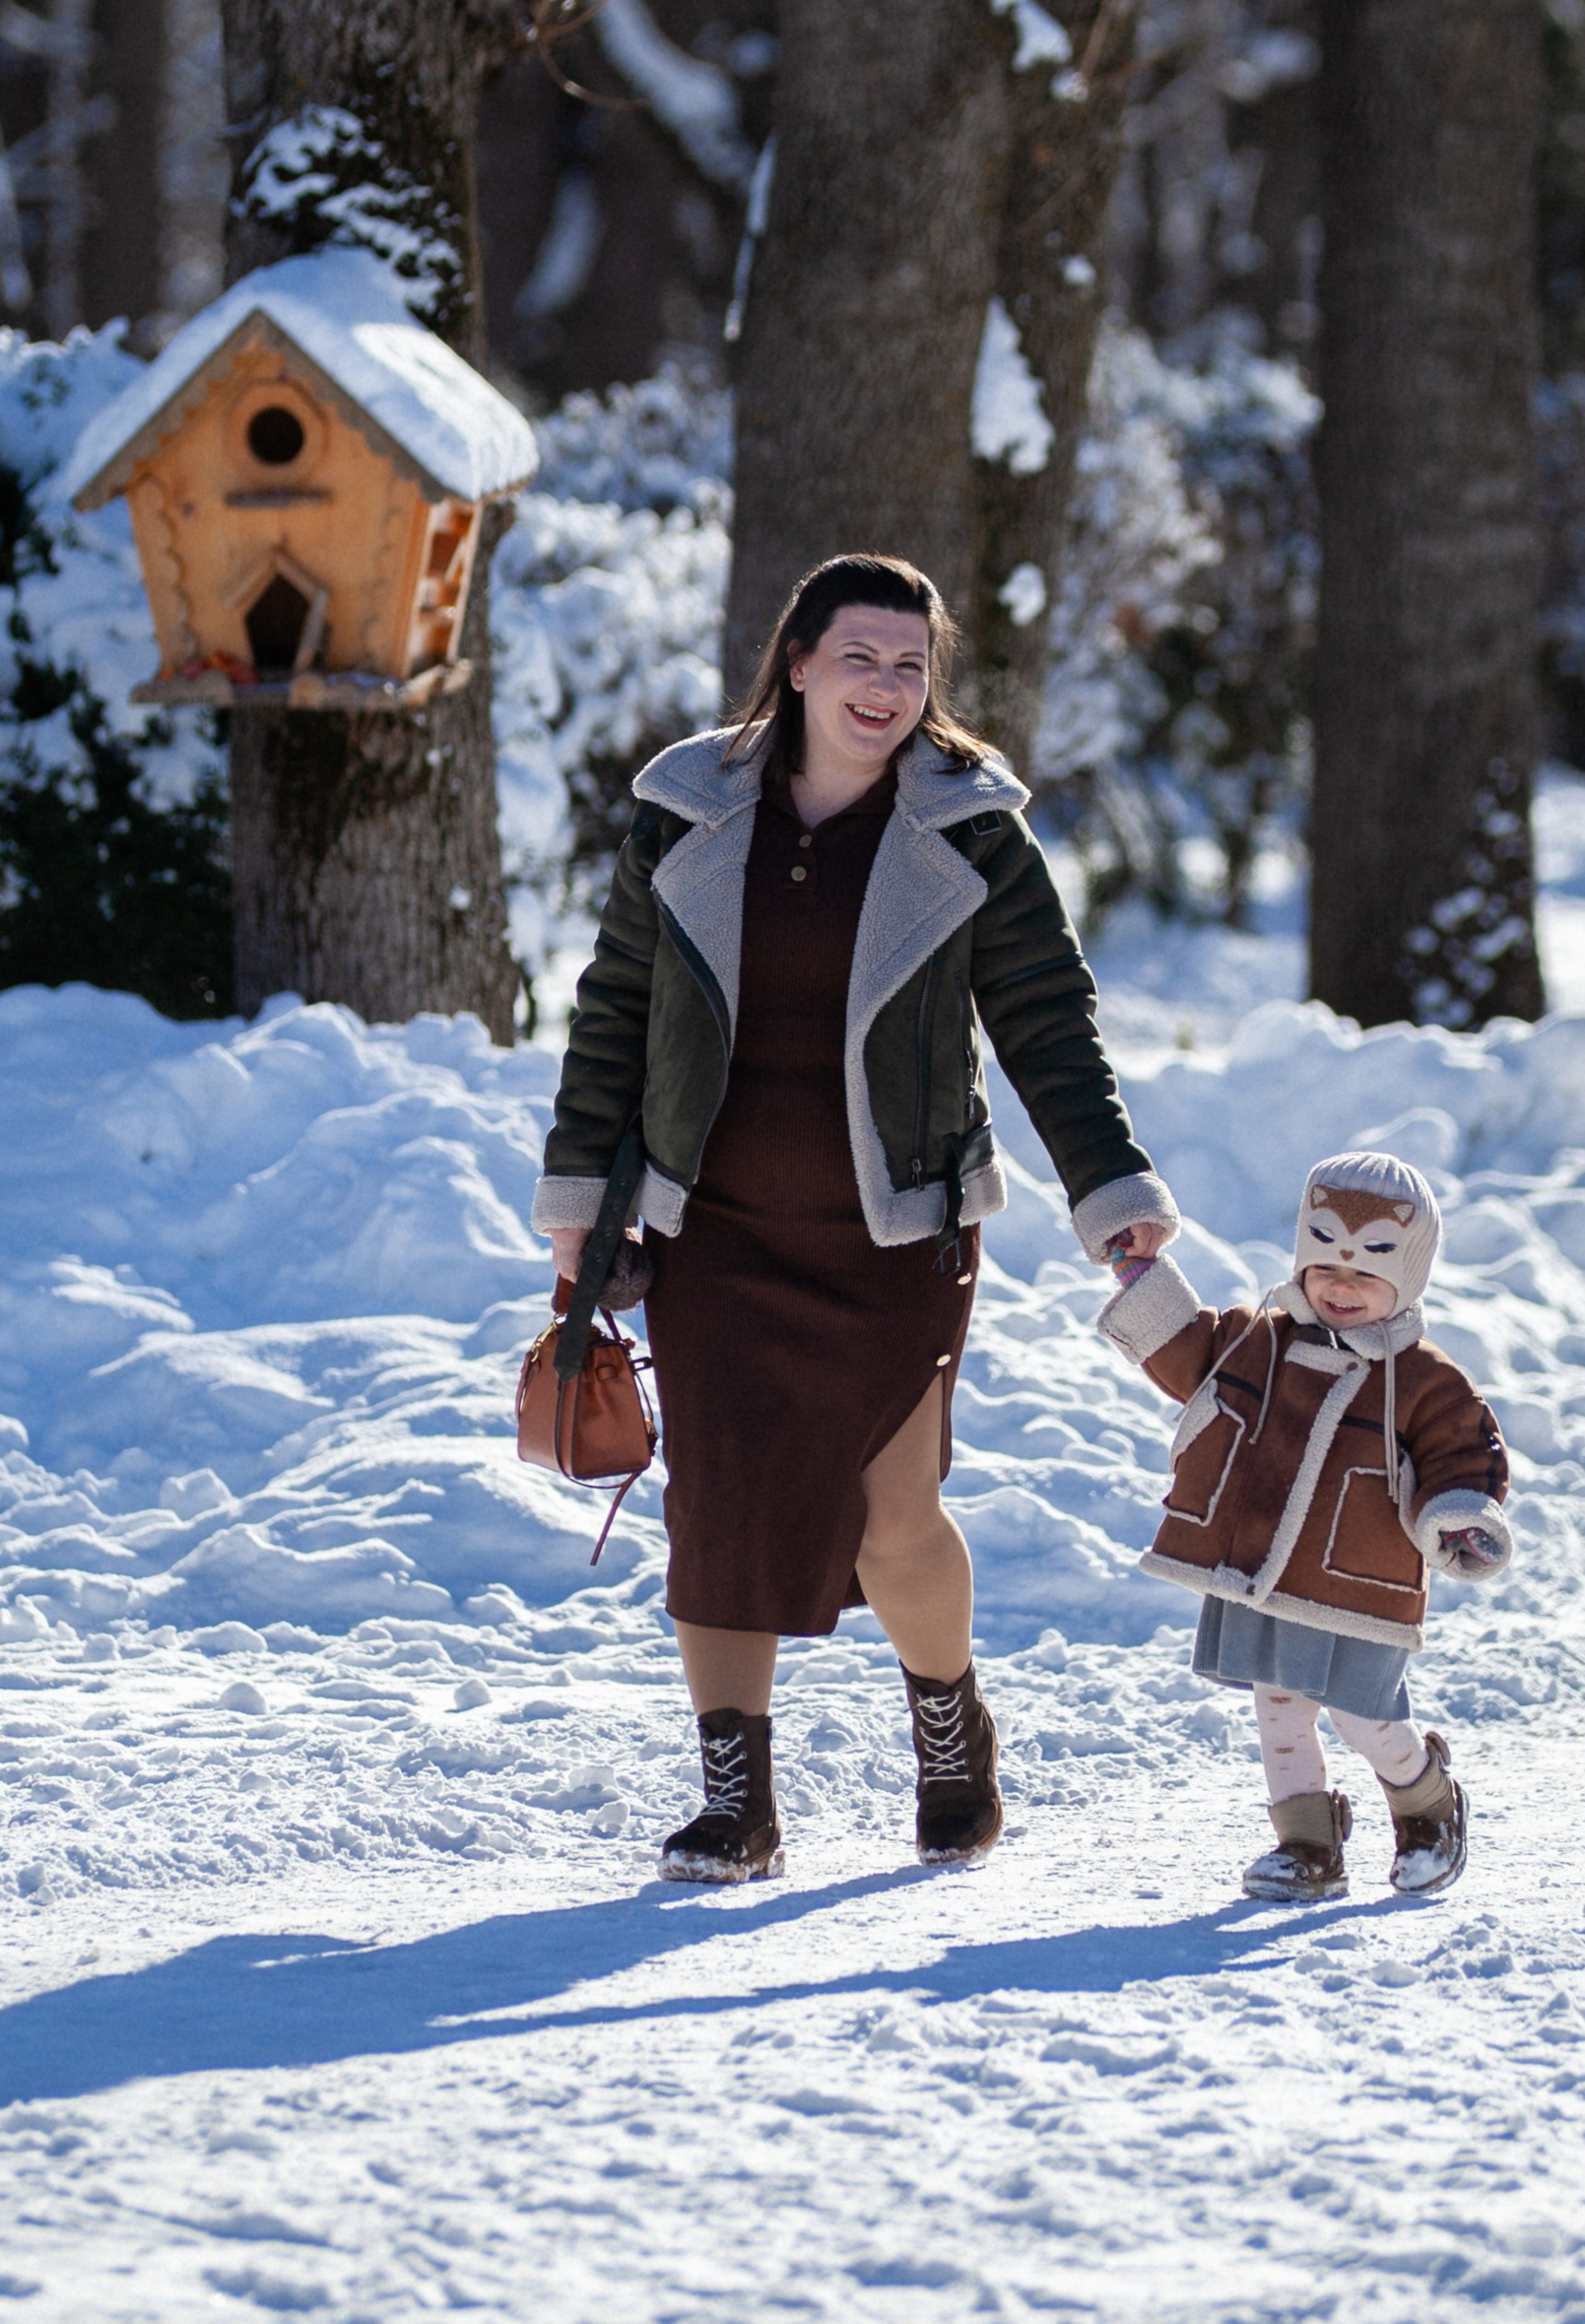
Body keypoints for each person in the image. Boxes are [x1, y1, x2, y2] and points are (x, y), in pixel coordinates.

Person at [532, 553, 1179, 1883]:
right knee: (713, 1510)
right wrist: (584, 1202)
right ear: (798, 662)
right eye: (860, 658)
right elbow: (614, 1012)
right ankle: (736, 1800)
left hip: (899, 1231)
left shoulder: (970, 830)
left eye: (912, 664)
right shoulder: (687, 813)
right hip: (712, 1227)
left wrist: (1110, 1193)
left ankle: (950, 1738)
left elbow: (1050, 1020)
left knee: (894, 1509)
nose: (886, 687)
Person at [1096, 1149, 1513, 1902]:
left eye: (1367, 1270)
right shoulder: (1265, 1339)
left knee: (1363, 1716)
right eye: (1324, 1266)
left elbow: (1463, 1456)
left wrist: (1459, 1520)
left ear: (1409, 1277)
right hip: (1265, 1571)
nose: (1341, 1286)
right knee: (1280, 1712)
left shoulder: (1424, 1377)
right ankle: (1307, 1843)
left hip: (1361, 1580)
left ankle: (1427, 1802)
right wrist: (1140, 1274)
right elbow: (1186, 1346)